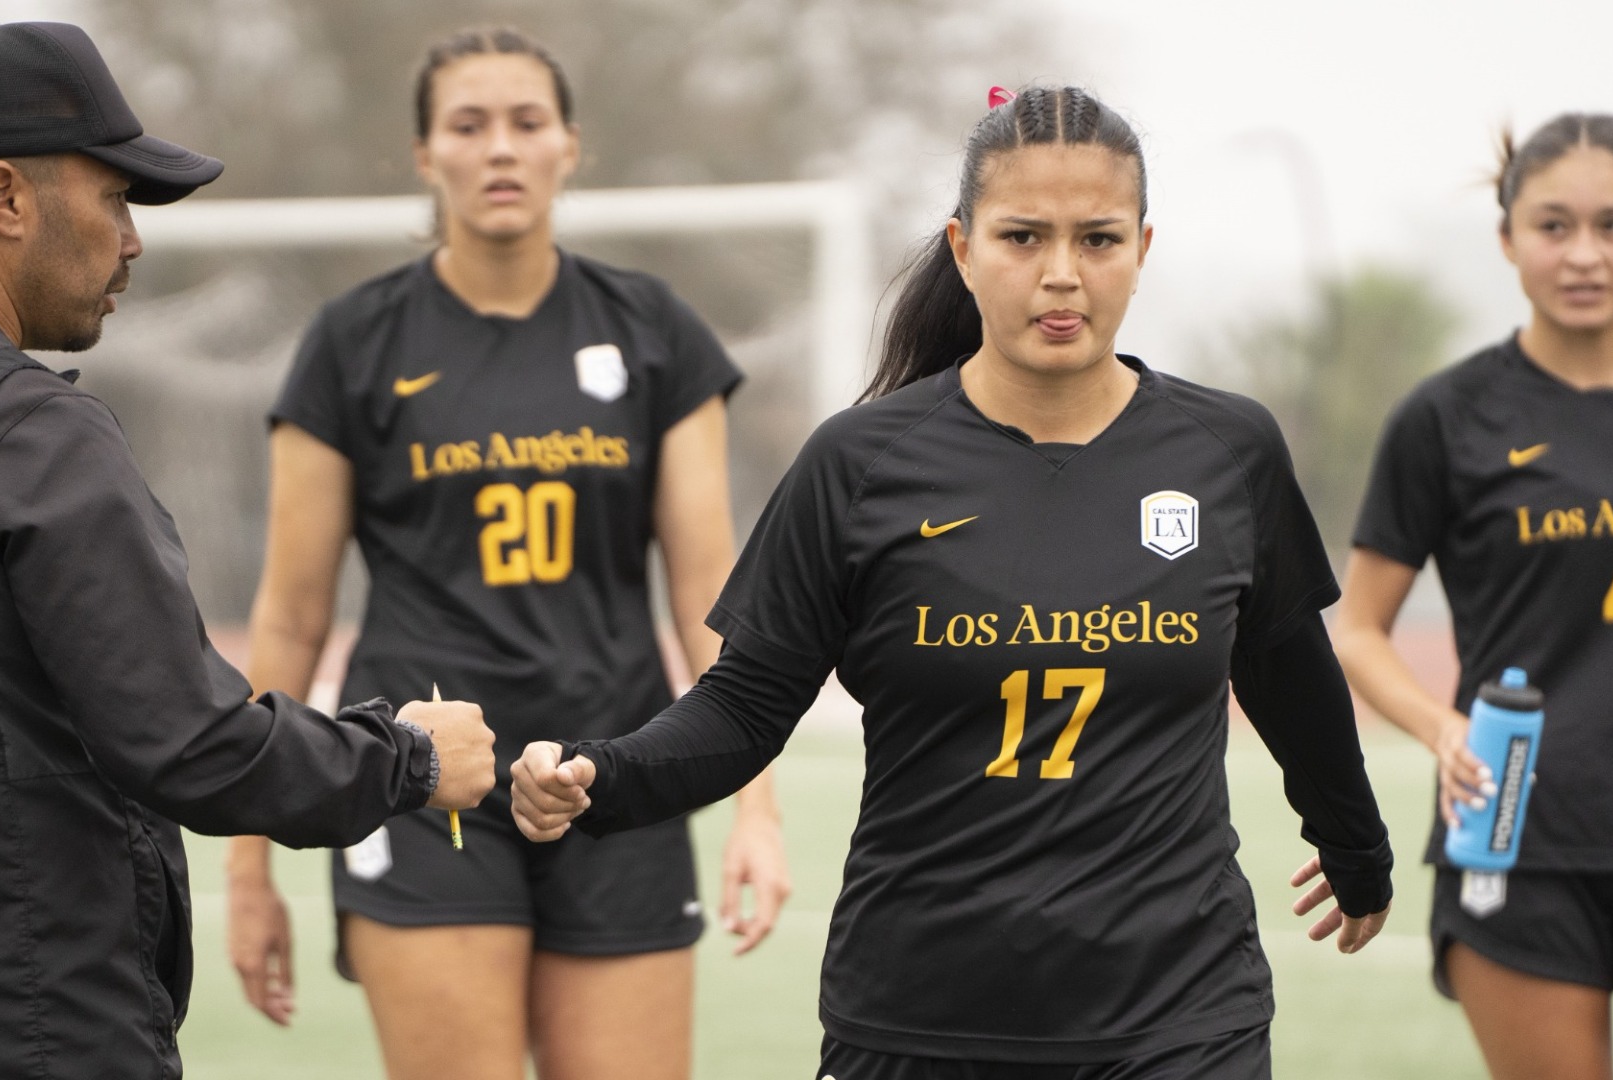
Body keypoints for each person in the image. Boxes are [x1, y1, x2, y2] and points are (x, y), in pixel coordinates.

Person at [513, 84, 1393, 1078]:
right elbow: (747, 707)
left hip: (1181, 1017)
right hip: (917, 1019)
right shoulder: (858, 465)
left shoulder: (1227, 451)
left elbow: (1288, 671)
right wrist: (600, 776)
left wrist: (1355, 844)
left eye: (1097, 240)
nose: (1061, 274)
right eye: (1023, 237)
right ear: (964, 248)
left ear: (1142, 250)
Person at [0, 21, 496, 1080]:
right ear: (6, 198)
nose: (133, 237)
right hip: (33, 1031)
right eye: (113, 196)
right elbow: (194, 746)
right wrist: (412, 758)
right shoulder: (32, 438)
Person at [222, 26, 791, 1080]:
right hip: (420, 774)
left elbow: (710, 594)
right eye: (468, 125)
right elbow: (293, 615)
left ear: (569, 146)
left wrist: (753, 806)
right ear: (424, 154)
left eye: (527, 123)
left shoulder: (653, 329)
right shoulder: (354, 343)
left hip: (615, 775)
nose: (499, 150)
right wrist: (250, 872)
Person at [1335, 112, 1613, 1080]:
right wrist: (1440, 727)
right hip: (1514, 844)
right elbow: (1360, 630)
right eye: (1552, 226)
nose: (1584, 254)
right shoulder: (1447, 419)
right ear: (1506, 238)